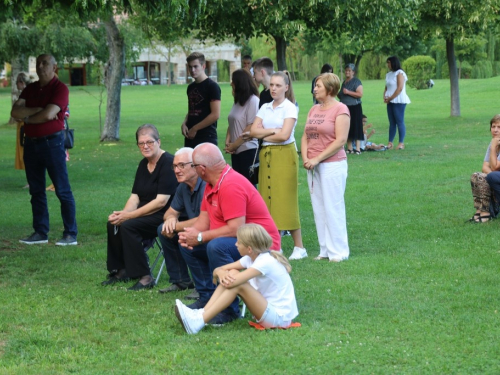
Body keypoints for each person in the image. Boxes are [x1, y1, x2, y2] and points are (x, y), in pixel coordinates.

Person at [177, 143, 281, 325]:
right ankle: (207, 298)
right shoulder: (211, 184)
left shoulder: (231, 184)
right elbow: (203, 221)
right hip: (239, 243)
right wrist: (191, 235)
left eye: (192, 165)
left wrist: (201, 237)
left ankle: (229, 310)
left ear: (202, 169)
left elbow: (236, 229)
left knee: (216, 247)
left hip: (261, 247)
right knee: (190, 246)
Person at [175, 223, 298, 335]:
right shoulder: (250, 258)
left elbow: (234, 282)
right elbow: (222, 269)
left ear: (249, 249)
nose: (235, 244)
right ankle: (201, 314)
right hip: (268, 311)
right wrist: (219, 271)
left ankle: (200, 321)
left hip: (279, 318)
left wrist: (221, 274)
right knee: (233, 273)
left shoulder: (265, 261)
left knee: (238, 284)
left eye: (238, 242)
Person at [11, 54, 77, 246]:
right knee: (36, 190)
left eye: (45, 63)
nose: (41, 66)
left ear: (54, 67)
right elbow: (15, 112)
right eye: (38, 63)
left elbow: (49, 114)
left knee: (62, 190)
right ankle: (40, 232)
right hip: (31, 144)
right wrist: (38, 110)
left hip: (53, 144)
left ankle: (70, 234)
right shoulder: (31, 88)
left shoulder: (60, 88)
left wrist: (29, 117)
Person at [102, 124, 178, 291]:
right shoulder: (143, 164)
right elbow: (135, 196)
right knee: (114, 223)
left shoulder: (169, 163)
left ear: (158, 142)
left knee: (129, 226)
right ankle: (122, 270)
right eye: (141, 143)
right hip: (143, 213)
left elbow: (161, 202)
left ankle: (145, 276)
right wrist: (122, 214)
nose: (145, 146)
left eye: (149, 142)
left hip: (165, 215)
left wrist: (129, 217)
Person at [246, 71, 307, 260]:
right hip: (267, 155)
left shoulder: (289, 108)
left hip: (284, 155)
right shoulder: (264, 107)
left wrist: (263, 132)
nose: (273, 88)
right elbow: (253, 131)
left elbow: (284, 135)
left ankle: (299, 247)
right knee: (268, 199)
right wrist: (272, 130)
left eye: (278, 85)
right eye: (271, 85)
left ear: (286, 88)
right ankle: (274, 244)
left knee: (285, 199)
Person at [301, 73, 350, 262]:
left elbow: (341, 141)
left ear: (330, 88)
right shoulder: (314, 109)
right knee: (319, 208)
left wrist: (317, 159)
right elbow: (305, 136)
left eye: (318, 86)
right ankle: (325, 250)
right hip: (313, 166)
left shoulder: (341, 109)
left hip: (332, 165)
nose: (314, 89)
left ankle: (339, 252)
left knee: (333, 207)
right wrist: (306, 158)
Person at [157, 147, 210, 301]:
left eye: (182, 165)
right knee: (163, 229)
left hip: (213, 231)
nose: (177, 170)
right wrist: (171, 219)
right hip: (195, 228)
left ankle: (203, 286)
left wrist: (175, 225)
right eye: (174, 166)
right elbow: (169, 213)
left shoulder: (206, 185)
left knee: (184, 235)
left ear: (195, 166)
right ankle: (180, 280)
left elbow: (204, 220)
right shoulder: (183, 186)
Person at [224, 69, 260, 183]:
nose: (231, 84)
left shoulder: (253, 101)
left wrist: (235, 145)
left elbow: (250, 126)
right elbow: (232, 121)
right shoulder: (238, 101)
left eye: (233, 82)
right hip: (236, 151)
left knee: (248, 186)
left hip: (247, 150)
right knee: (238, 185)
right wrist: (228, 140)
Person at [181, 52, 221, 148]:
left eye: (195, 66)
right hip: (190, 136)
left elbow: (215, 114)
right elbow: (192, 109)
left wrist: (195, 128)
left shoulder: (212, 86)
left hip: (206, 136)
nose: (192, 70)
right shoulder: (190, 87)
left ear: (203, 66)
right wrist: (184, 123)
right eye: (190, 67)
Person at [469, 115, 500, 223]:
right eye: (493, 126)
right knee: (476, 176)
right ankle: (480, 211)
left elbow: (496, 167)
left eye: (499, 127)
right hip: (496, 178)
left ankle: (488, 213)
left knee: (489, 176)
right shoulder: (493, 143)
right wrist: (489, 176)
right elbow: (484, 167)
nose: (495, 130)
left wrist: (493, 148)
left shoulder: (494, 144)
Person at [384, 56, 411, 150]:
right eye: (387, 63)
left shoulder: (400, 73)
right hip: (390, 101)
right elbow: (386, 87)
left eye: (389, 62)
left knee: (399, 121)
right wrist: (385, 96)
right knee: (392, 122)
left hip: (398, 100)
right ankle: (390, 142)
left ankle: (401, 142)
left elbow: (399, 88)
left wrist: (391, 97)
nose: (388, 65)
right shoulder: (388, 74)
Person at [338, 63, 363, 154]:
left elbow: (360, 94)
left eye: (349, 71)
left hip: (355, 107)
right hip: (345, 107)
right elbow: (341, 94)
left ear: (353, 72)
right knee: (347, 126)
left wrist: (348, 92)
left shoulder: (357, 82)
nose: (347, 72)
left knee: (356, 126)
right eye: (346, 70)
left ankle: (358, 148)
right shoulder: (344, 82)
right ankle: (349, 148)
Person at [14, 72, 31, 187]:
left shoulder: (28, 95)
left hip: (26, 127)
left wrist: (20, 117)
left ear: (21, 82)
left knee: (27, 153)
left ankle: (31, 181)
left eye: (17, 83)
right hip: (22, 126)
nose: (16, 86)